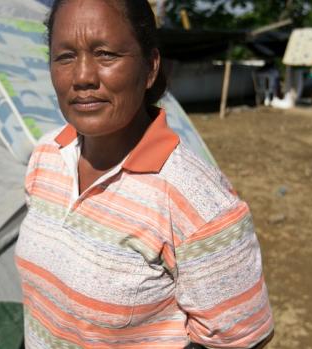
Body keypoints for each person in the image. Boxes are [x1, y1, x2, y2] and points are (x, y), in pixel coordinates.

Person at [15, 0, 274, 348]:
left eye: (105, 54)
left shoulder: (195, 201)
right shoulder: (46, 156)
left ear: (150, 67)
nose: (82, 77)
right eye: (65, 57)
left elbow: (242, 339)